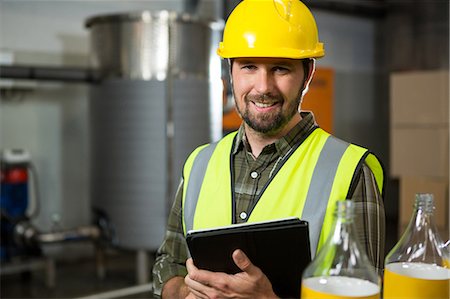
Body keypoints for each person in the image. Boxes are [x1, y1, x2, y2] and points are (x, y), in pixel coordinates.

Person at [152, 0, 385, 298]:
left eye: (280, 68)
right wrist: (187, 292)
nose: (263, 87)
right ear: (230, 72)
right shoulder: (199, 164)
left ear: (308, 73)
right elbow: (168, 265)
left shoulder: (351, 171)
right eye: (249, 66)